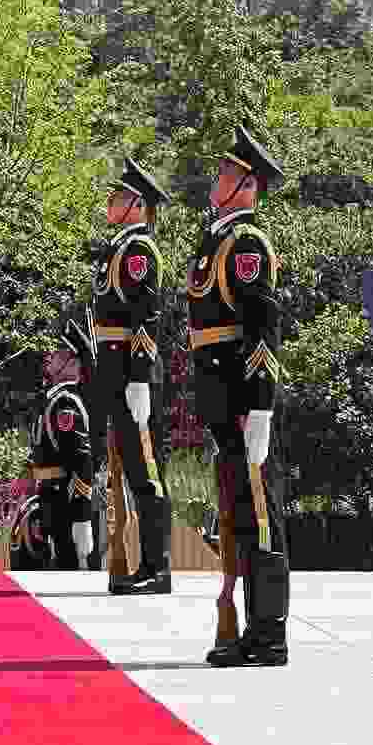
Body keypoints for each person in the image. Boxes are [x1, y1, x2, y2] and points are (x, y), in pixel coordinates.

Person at [190, 122, 291, 667]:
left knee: (259, 515)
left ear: (249, 186)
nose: (217, 178)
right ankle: (247, 629)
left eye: (228, 172)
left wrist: (261, 407)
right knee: (237, 514)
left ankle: (268, 633)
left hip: (244, 397)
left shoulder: (246, 242)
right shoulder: (218, 239)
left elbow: (262, 331)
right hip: (221, 396)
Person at [90, 157, 173, 594]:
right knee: (129, 466)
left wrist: (139, 375)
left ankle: (157, 568)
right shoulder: (118, 248)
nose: (110, 203)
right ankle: (141, 563)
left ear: (138, 205)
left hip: (131, 372)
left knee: (145, 469)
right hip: (114, 370)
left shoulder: (139, 251)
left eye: (119, 197)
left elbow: (147, 316)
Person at [17, 319, 100, 571]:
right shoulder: (53, 399)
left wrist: (82, 517)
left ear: (73, 363)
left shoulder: (66, 403)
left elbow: (82, 462)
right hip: (52, 498)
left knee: (71, 571)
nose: (50, 357)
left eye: (59, 353)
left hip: (67, 503)